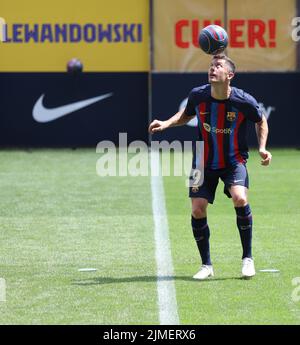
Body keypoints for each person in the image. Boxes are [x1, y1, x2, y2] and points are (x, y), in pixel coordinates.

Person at [148, 54, 272, 280]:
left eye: (218, 66)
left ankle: (247, 259)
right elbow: (184, 116)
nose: (212, 69)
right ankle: (206, 265)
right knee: (197, 209)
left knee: (240, 198)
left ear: (230, 75)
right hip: (202, 161)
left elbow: (260, 119)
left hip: (234, 160)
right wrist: (166, 123)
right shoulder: (198, 95)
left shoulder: (243, 100)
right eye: (211, 65)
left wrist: (262, 147)